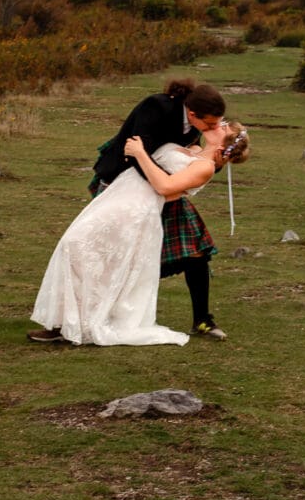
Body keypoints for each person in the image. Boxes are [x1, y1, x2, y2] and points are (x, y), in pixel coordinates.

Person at [28, 122, 249, 347]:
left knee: (187, 256)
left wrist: (139, 152)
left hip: (144, 204)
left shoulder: (204, 165)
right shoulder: (190, 140)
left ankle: (200, 319)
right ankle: (69, 321)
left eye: (224, 128)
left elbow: (167, 187)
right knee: (87, 250)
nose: (218, 124)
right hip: (126, 194)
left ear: (223, 148)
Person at [89, 79, 228, 341]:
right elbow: (135, 153)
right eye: (210, 124)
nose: (214, 128)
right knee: (111, 254)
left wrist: (214, 157)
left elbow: (190, 160)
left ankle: (202, 321)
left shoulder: (195, 128)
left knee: (196, 252)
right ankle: (91, 314)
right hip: (124, 184)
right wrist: (164, 184)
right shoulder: (156, 108)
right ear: (192, 113)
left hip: (163, 191)